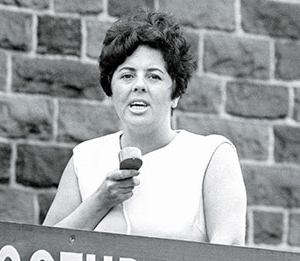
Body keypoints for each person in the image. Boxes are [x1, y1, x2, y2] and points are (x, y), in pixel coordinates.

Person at [43, 10, 246, 245]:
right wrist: (100, 201)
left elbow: (228, 258)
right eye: (127, 76)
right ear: (111, 90)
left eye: (154, 77)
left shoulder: (211, 156)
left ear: (175, 94)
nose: (139, 85)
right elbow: (44, 251)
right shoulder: (85, 158)